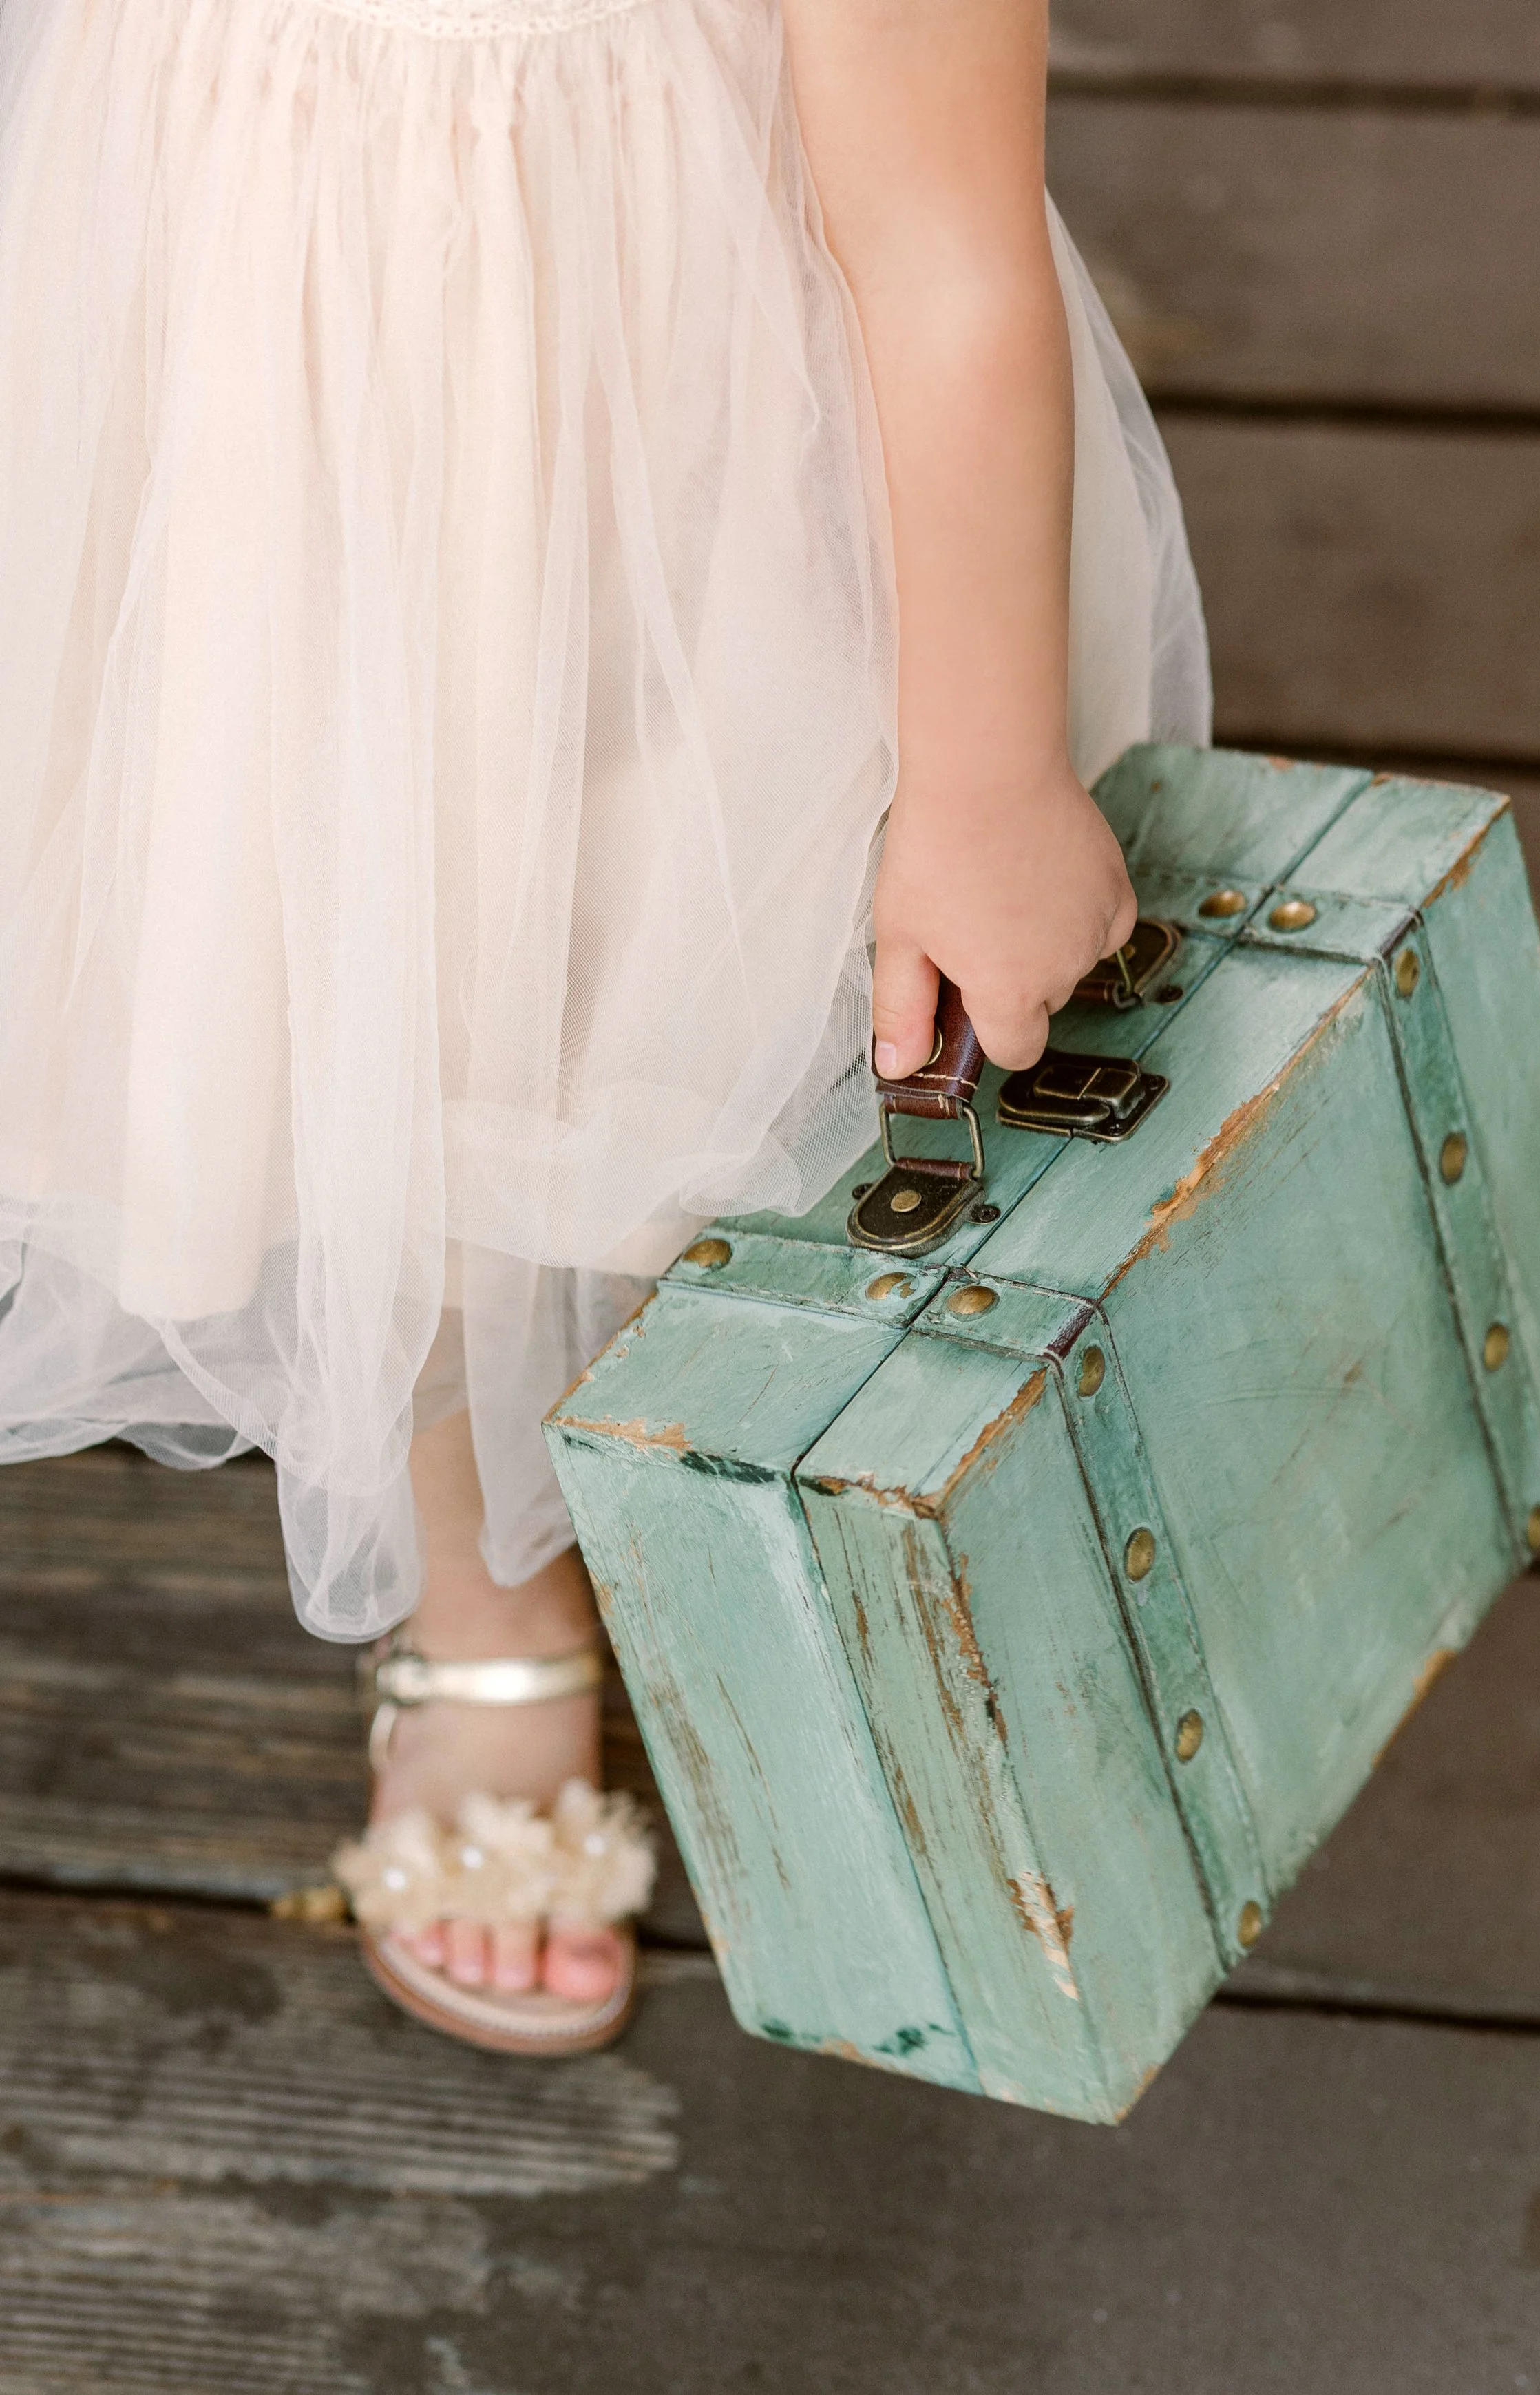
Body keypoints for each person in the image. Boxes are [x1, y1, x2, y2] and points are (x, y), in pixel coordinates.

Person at [0, 0, 1208, 2050]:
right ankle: (484, 1577)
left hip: (685, 455)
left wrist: (986, 765)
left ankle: (793, 1488)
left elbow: (937, 234)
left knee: (683, 980)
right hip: (240, 363)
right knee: (350, 995)